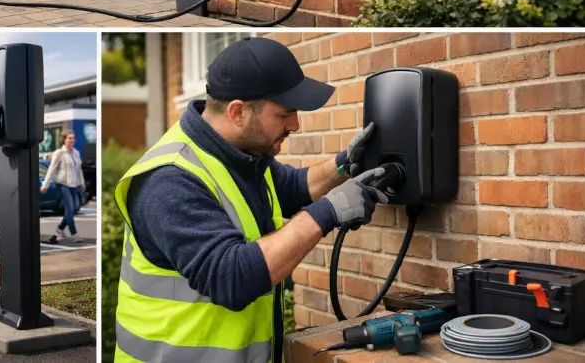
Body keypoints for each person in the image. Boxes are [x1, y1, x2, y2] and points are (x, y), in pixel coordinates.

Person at [114, 37, 390, 363]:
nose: (296, 125)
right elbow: (231, 277)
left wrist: (344, 165)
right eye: (285, 114)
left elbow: (291, 188)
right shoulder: (169, 180)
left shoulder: (241, 155)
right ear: (238, 112)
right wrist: (330, 211)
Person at [41, 131, 86, 244]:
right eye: (69, 138)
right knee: (70, 209)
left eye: (73, 138)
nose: (72, 140)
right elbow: (51, 169)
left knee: (73, 209)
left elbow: (79, 170)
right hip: (62, 184)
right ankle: (75, 234)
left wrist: (82, 182)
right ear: (64, 140)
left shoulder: (76, 153)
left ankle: (58, 231)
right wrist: (45, 184)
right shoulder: (59, 153)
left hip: (74, 185)